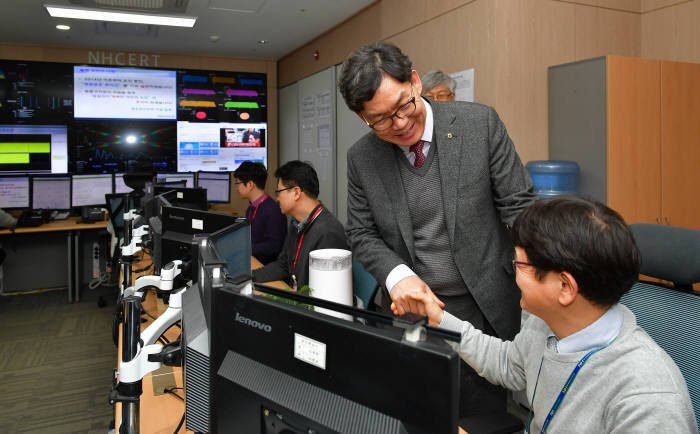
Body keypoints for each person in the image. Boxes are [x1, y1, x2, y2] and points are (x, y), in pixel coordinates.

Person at [338, 42, 536, 416]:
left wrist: (539, 281)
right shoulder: (362, 158)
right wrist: (398, 277)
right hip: (410, 314)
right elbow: (361, 233)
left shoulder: (479, 125)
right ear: (362, 117)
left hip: (484, 310)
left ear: (414, 82)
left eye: (402, 106)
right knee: (413, 414)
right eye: (380, 119)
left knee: (480, 417)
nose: (398, 124)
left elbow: (520, 208)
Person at [400, 197, 698, 433]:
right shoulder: (546, 321)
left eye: (519, 265)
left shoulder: (649, 400)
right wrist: (438, 318)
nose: (512, 273)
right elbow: (510, 365)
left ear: (565, 287)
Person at [252, 160, 349, 291]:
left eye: (279, 192)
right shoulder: (296, 223)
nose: (277, 198)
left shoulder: (327, 233)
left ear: (296, 193)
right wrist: (250, 277)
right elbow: (283, 265)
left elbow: (324, 295)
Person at [233, 161, 287, 265]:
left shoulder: (273, 210)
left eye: (238, 183)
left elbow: (274, 246)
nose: (237, 188)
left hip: (266, 267)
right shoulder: (251, 208)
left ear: (250, 184)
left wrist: (245, 249)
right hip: (252, 261)